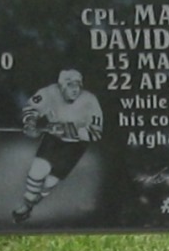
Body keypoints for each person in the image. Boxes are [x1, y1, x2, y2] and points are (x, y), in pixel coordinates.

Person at [12, 69, 103, 223]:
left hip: (75, 146)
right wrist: (31, 123)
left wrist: (71, 130)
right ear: (61, 87)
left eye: (77, 86)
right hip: (53, 140)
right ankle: (26, 205)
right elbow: (31, 108)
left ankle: (34, 201)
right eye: (70, 85)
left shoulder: (90, 101)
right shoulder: (48, 93)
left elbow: (96, 132)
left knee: (51, 181)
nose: (75, 90)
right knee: (38, 170)